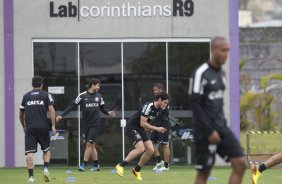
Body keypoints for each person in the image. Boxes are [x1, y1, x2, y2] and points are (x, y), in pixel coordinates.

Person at [190, 37, 247, 184]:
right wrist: (209, 131)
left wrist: (221, 126)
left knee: (240, 164)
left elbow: (218, 106)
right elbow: (195, 104)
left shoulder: (222, 74)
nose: (226, 54)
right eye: (222, 50)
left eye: (227, 50)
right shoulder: (201, 73)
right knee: (204, 172)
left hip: (221, 128)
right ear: (213, 50)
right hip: (205, 131)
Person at [56, 78, 116, 171]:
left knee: (88, 144)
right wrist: (61, 115)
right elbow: (72, 106)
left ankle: (83, 164)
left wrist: (109, 112)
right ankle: (96, 166)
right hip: (86, 124)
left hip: (95, 124)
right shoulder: (82, 96)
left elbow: (103, 109)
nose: (99, 87)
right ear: (92, 85)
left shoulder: (99, 96)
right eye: (98, 85)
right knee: (92, 145)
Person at [115, 92, 169, 181]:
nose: (165, 105)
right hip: (132, 127)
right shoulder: (148, 106)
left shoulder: (159, 109)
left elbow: (147, 121)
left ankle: (136, 170)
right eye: (165, 102)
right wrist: (156, 128)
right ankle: (120, 165)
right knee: (140, 148)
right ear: (159, 100)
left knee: (150, 150)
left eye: (167, 103)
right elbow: (142, 123)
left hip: (141, 129)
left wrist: (149, 128)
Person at [19, 75, 56, 183]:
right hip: (43, 127)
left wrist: (23, 126)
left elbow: (21, 114)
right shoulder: (46, 95)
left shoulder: (25, 96)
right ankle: (45, 169)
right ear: (42, 84)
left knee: (29, 152)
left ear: (32, 84)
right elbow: (51, 109)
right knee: (46, 149)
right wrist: (53, 125)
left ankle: (31, 177)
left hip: (30, 128)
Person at [150, 83, 170, 171]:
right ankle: (159, 161)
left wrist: (150, 124)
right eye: (153, 90)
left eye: (155, 90)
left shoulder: (165, 100)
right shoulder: (156, 99)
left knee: (164, 144)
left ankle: (166, 166)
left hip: (164, 124)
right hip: (156, 125)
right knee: (151, 142)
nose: (154, 92)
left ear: (161, 90)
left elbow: (159, 114)